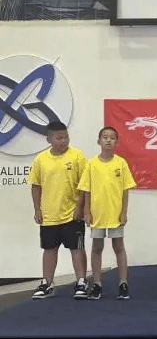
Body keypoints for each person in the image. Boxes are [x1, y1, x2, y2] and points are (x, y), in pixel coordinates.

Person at [28, 120, 89, 300]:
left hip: (72, 214)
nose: (63, 141)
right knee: (49, 249)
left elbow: (85, 186)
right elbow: (36, 186)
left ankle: (81, 282)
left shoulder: (77, 156)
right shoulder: (41, 159)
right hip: (49, 215)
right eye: (59, 138)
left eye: (66, 137)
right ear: (49, 139)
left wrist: (81, 208)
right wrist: (37, 209)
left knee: (77, 248)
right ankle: (47, 283)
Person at [78, 127, 137, 300]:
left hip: (115, 214)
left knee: (119, 247)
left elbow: (125, 190)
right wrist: (87, 212)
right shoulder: (91, 164)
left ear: (116, 142)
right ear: (99, 141)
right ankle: (97, 284)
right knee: (97, 248)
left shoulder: (121, 163)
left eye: (112, 138)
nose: (108, 140)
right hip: (97, 214)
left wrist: (124, 212)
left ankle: (123, 283)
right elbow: (86, 190)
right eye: (105, 137)